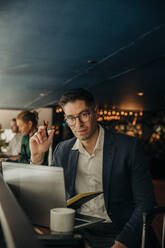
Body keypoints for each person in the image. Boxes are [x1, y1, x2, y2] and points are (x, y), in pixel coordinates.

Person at [30, 88, 157, 248]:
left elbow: (146, 203)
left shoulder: (128, 147)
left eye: (84, 114)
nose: (78, 124)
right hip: (78, 228)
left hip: (120, 229)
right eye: (71, 118)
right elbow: (47, 196)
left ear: (95, 111)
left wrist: (123, 241)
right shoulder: (63, 150)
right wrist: (37, 158)